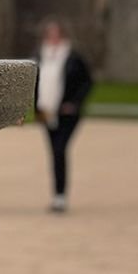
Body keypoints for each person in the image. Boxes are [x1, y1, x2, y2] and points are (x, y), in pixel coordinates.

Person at [35, 17, 93, 212]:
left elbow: (87, 82)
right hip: (45, 110)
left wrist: (74, 103)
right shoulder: (39, 56)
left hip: (67, 112)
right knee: (53, 152)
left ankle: (60, 195)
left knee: (60, 149)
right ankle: (57, 194)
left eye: (56, 34)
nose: (53, 38)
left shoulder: (73, 57)